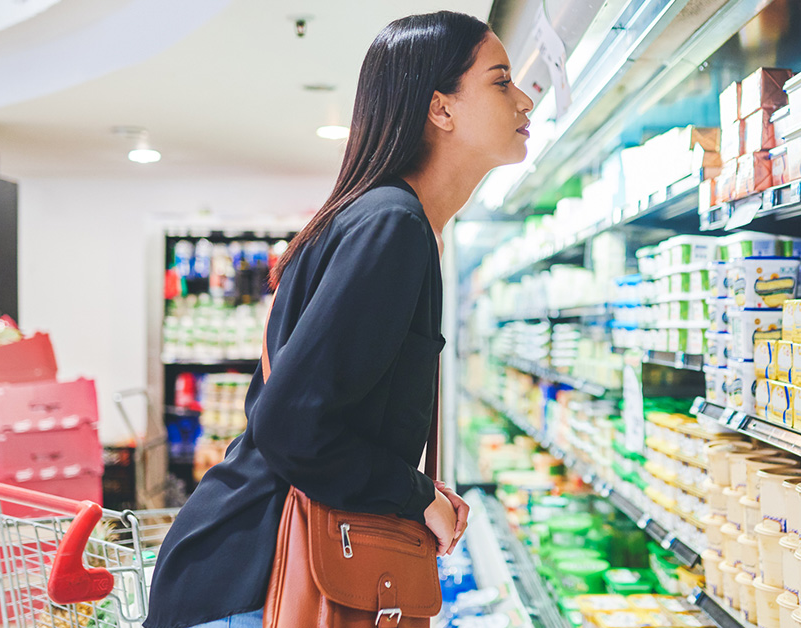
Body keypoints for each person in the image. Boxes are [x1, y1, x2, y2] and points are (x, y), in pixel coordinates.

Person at [144, 10, 533, 628]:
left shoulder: (386, 219)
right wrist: (416, 494)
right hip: (259, 582)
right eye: (501, 80)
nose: (524, 98)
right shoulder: (393, 225)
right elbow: (292, 426)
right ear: (441, 108)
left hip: (246, 571)